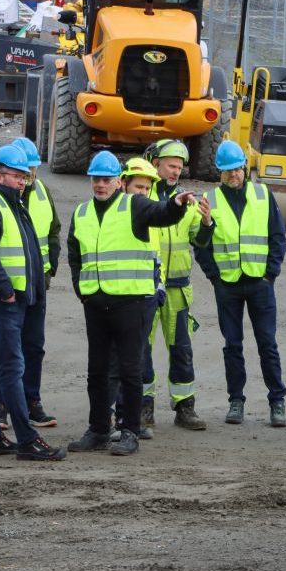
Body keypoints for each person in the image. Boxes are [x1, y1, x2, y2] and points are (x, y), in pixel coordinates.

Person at [66, 151, 197, 456]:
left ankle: (130, 431)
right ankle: (98, 430)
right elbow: (74, 253)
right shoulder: (82, 213)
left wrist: (176, 205)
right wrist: (81, 288)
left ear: (119, 182)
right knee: (97, 372)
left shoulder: (134, 205)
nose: (100, 184)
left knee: (130, 369)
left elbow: (160, 214)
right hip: (96, 303)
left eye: (106, 179)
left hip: (130, 302)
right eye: (96, 179)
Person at [0, 145, 67, 461]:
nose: (23, 181)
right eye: (16, 176)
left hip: (10, 300)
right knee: (11, 366)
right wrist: (6, 290)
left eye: (24, 176)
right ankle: (27, 440)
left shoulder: (12, 204)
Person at [193, 140, 286, 427]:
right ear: (220, 173)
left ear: (245, 168)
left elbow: (278, 236)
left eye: (237, 169)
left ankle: (277, 401)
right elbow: (200, 244)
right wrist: (214, 277)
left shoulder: (262, 195)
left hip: (260, 283)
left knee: (267, 344)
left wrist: (270, 274)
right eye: (227, 171)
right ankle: (236, 400)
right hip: (229, 285)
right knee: (232, 345)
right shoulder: (210, 200)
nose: (233, 175)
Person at [0, 136, 59, 430]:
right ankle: (1, 406)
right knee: (6, 349)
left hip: (37, 285)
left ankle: (32, 401)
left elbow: (54, 231)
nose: (29, 177)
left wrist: (50, 268)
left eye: (32, 171)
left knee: (33, 347)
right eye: (24, 172)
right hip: (8, 289)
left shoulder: (42, 193)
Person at [141, 139, 207, 431]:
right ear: (155, 164)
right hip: (145, 285)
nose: (175, 172)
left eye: (179, 167)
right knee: (142, 348)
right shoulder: (143, 196)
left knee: (181, 348)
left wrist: (207, 224)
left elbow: (199, 241)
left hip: (178, 288)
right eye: (171, 165)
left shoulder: (188, 200)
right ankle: (143, 407)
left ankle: (185, 407)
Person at [107, 157, 168, 441]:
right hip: (119, 297)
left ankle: (128, 418)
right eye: (138, 186)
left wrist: (159, 287)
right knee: (116, 362)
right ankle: (115, 419)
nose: (142, 192)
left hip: (146, 296)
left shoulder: (149, 213)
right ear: (124, 184)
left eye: (146, 188)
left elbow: (154, 256)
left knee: (136, 362)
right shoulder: (117, 213)